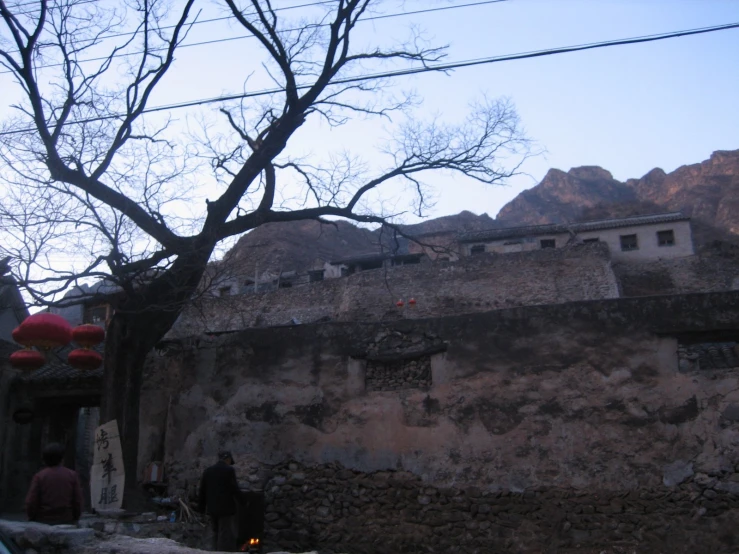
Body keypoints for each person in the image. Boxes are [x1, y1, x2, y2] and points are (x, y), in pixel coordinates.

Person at [25, 443, 84, 525]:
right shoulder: (72, 475)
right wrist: (75, 518)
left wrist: (32, 517)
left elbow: (31, 501)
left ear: (44, 459)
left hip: (42, 520)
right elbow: (77, 501)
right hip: (66, 520)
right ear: (62, 458)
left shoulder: (40, 476)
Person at [198, 451, 242, 552]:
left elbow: (202, 492)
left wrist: (201, 509)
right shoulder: (229, 470)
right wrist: (244, 502)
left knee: (215, 532)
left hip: (212, 508)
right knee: (225, 535)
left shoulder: (208, 471)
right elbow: (234, 489)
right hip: (226, 509)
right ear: (228, 459)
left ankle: (213, 550)